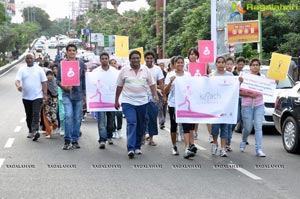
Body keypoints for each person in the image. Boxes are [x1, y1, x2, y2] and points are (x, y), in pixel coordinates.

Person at [115, 50, 158, 159]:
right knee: (132, 122)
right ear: (130, 60)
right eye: (133, 58)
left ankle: (138, 146)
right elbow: (119, 86)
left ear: (140, 59)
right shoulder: (124, 71)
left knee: (141, 124)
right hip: (128, 102)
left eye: (137, 58)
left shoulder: (145, 70)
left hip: (143, 102)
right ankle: (130, 148)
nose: (135, 60)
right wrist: (116, 100)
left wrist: (155, 95)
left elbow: (152, 84)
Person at [164, 56, 197, 158]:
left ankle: (187, 148)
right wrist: (170, 82)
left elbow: (194, 86)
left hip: (185, 104)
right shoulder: (170, 75)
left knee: (186, 125)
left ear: (184, 64)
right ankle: (174, 146)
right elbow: (165, 91)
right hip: (173, 104)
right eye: (177, 63)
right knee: (174, 125)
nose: (180, 64)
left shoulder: (187, 75)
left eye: (181, 62)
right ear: (174, 64)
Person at [56, 44, 86, 150]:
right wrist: (63, 86)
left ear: (76, 52)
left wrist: (85, 95)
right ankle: (67, 140)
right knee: (68, 116)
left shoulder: (81, 64)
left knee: (77, 118)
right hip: (67, 95)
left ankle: (75, 140)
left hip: (78, 95)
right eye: (70, 50)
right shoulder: (62, 65)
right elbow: (58, 80)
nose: (72, 52)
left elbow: (84, 80)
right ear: (67, 52)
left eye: (74, 50)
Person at [15, 53, 48, 141]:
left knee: (36, 113)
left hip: (37, 96)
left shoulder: (39, 69)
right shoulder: (22, 70)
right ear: (25, 60)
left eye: (31, 58)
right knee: (29, 115)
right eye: (27, 58)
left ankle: (36, 130)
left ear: (34, 59)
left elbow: (44, 82)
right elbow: (17, 80)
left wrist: (45, 94)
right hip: (26, 97)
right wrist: (18, 86)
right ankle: (30, 130)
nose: (29, 60)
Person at [239, 58, 266, 157]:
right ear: (250, 66)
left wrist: (275, 81)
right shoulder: (245, 77)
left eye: (257, 65)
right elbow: (239, 92)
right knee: (248, 128)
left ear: (259, 66)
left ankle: (259, 149)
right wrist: (250, 95)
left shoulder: (263, 77)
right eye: (253, 65)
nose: (255, 66)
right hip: (247, 105)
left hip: (259, 104)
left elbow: (269, 87)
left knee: (258, 126)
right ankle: (243, 140)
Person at [94, 52, 118, 149]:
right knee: (101, 121)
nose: (104, 60)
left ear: (108, 59)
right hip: (100, 100)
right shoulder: (95, 72)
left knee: (111, 120)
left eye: (106, 58)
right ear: (100, 60)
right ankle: (102, 139)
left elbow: (118, 83)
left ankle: (109, 136)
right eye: (102, 58)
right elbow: (92, 83)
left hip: (111, 100)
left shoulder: (114, 71)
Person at [210, 56, 233, 157]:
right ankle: (215, 143)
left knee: (225, 127)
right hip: (215, 106)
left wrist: (239, 81)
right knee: (215, 127)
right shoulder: (212, 76)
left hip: (226, 106)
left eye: (222, 62)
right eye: (218, 62)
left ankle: (223, 148)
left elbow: (235, 86)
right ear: (216, 64)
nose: (220, 64)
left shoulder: (230, 75)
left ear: (225, 64)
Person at [144, 50, 166, 146]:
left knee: (153, 117)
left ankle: (151, 139)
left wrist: (164, 95)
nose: (149, 60)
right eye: (147, 58)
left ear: (153, 59)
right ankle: (143, 135)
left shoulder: (157, 69)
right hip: (141, 97)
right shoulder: (141, 68)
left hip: (154, 97)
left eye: (151, 58)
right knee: (144, 118)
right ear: (144, 59)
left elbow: (161, 83)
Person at [109, 58, 123, 139]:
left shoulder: (120, 73)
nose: (113, 65)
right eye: (112, 63)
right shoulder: (108, 74)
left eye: (115, 63)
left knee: (119, 114)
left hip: (120, 96)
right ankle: (113, 130)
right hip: (110, 96)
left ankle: (119, 129)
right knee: (112, 115)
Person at [43, 70, 59, 138]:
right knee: (46, 116)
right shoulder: (44, 83)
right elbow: (43, 90)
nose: (49, 76)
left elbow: (55, 92)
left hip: (54, 101)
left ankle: (54, 127)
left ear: (52, 75)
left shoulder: (55, 82)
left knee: (53, 115)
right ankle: (48, 132)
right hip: (46, 101)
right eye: (47, 75)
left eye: (50, 75)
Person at [52, 64, 65, 136]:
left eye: (56, 69)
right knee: (56, 114)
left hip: (63, 99)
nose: (55, 71)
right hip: (56, 99)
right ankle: (59, 127)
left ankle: (63, 128)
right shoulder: (52, 78)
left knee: (63, 114)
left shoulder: (65, 78)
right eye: (54, 69)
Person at [158, 62, 167, 129]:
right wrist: (160, 86)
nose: (161, 66)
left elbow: (167, 83)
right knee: (160, 107)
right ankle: (161, 121)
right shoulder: (157, 73)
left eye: (162, 65)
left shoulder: (165, 73)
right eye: (160, 65)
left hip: (165, 91)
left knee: (164, 107)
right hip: (158, 92)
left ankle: (163, 121)